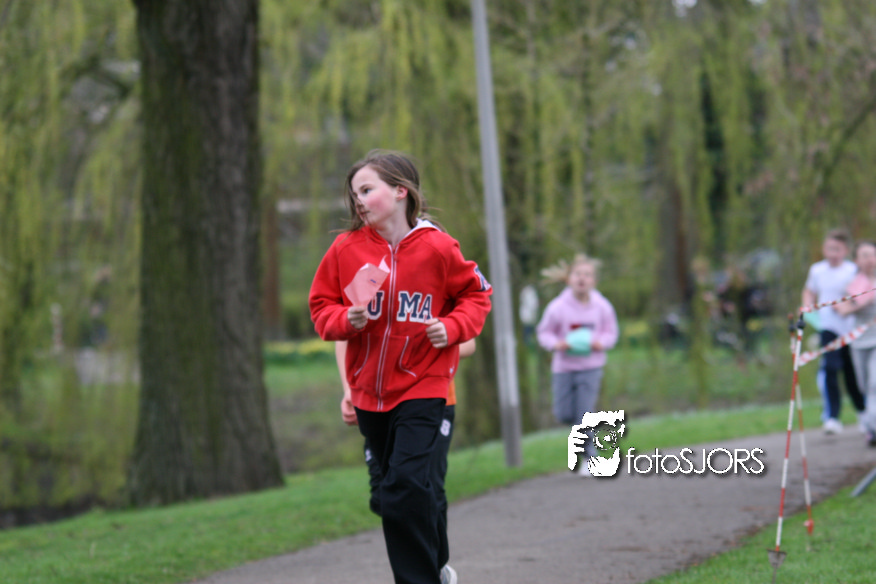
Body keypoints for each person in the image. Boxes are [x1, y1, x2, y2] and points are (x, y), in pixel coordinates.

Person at [310, 150, 491, 584]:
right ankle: (435, 564)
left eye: (367, 189)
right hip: (370, 394)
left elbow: (476, 296)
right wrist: (345, 320)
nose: (358, 200)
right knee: (392, 495)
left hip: (424, 385)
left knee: (406, 483)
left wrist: (452, 327)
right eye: (354, 193)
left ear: (400, 191)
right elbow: (321, 308)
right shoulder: (346, 249)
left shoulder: (438, 247)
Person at [335, 338, 476, 540]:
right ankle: (414, 555)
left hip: (431, 399)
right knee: (384, 495)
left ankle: (432, 558)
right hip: (379, 401)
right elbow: (344, 337)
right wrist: (349, 390)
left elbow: (469, 343)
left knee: (425, 485)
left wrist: (419, 348)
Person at [536, 253, 619, 477]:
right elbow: (544, 333)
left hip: (591, 367)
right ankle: (583, 437)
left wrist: (601, 343)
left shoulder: (602, 307)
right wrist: (557, 344)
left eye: (587, 275)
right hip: (563, 368)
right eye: (577, 274)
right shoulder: (557, 307)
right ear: (568, 279)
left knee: (584, 415)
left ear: (594, 281)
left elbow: (611, 333)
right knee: (564, 414)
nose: (582, 278)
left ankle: (589, 458)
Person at [802, 229, 866, 434]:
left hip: (851, 329)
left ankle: (863, 413)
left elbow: (861, 296)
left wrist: (847, 307)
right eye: (829, 249)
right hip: (828, 327)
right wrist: (807, 307)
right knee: (830, 368)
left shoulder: (853, 270)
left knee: (852, 373)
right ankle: (832, 417)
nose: (833, 254)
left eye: (837, 249)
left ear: (846, 250)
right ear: (824, 249)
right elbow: (809, 291)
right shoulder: (817, 270)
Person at [833, 241, 876, 446]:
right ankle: (869, 425)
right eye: (864, 256)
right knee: (863, 385)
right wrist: (860, 303)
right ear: (857, 261)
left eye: (872, 255)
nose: (869, 260)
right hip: (859, 341)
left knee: (875, 383)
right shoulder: (854, 284)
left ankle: (873, 427)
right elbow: (841, 310)